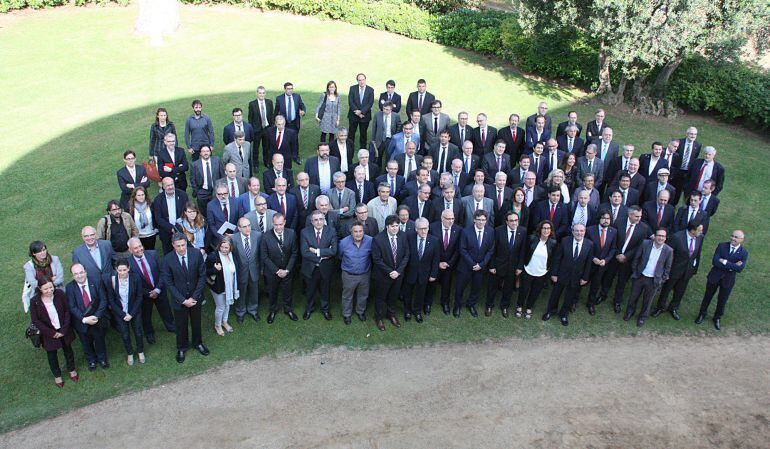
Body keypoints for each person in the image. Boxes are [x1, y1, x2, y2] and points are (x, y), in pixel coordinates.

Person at [162, 232, 208, 363]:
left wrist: (195, 296)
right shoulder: (167, 259)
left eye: (183, 245)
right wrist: (182, 300)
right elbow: (168, 282)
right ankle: (182, 347)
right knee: (181, 324)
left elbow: (202, 275)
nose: (181, 248)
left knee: (196, 321)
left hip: (195, 297)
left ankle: (198, 343)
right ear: (173, 245)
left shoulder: (196, 254)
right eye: (178, 246)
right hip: (179, 299)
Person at [29, 278, 77, 387]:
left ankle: (72, 369)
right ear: (40, 289)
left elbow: (67, 311)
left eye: (51, 287)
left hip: (63, 329)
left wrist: (64, 330)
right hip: (48, 333)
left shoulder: (59, 294)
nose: (49, 290)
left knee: (68, 350)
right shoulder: (35, 301)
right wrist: (51, 333)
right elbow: (35, 320)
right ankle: (57, 375)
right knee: (51, 355)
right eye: (45, 288)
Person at [696, 230, 749, 330]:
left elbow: (740, 269)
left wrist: (724, 261)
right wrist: (732, 266)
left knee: (722, 300)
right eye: (732, 236)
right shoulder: (722, 246)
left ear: (742, 240)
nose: (733, 238)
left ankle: (717, 318)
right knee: (707, 296)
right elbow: (715, 261)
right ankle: (702, 314)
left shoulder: (744, 253)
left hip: (728, 280)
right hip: (714, 276)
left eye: (736, 237)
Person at [603, 206, 651, 313]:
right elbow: (612, 239)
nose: (639, 218)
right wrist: (618, 253)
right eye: (637, 216)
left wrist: (626, 256)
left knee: (622, 281)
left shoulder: (644, 228)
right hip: (615, 257)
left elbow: (640, 246)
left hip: (628, 260)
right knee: (608, 277)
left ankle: (617, 301)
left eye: (640, 216)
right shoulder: (619, 222)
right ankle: (603, 294)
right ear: (630, 215)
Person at [652, 220, 703, 320]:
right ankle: (660, 307)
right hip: (674, 270)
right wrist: (666, 271)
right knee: (666, 290)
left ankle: (673, 307)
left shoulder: (700, 238)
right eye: (699, 230)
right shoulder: (677, 237)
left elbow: (697, 254)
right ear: (692, 230)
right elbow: (668, 255)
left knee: (680, 291)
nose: (701, 232)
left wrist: (694, 269)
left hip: (687, 271)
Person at [127, 237, 175, 344]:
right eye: (135, 248)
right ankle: (149, 333)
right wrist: (147, 293)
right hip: (144, 295)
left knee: (166, 310)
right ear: (130, 250)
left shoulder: (153, 254)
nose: (139, 249)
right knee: (146, 315)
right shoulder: (128, 263)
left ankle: (171, 326)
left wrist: (157, 289)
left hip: (159, 289)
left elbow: (163, 272)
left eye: (140, 246)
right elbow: (133, 283)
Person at [543, 224, 593, 326]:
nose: (579, 233)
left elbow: (588, 263)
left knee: (570, 297)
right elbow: (557, 258)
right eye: (577, 231)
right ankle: (550, 311)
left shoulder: (590, 244)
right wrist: (554, 274)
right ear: (572, 231)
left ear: (585, 232)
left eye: (582, 231)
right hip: (561, 274)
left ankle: (564, 314)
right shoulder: (565, 241)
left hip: (576, 276)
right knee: (555, 294)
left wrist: (585, 277)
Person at [624, 227, 673, 327]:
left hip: (653, 280)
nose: (661, 238)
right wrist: (635, 271)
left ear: (665, 238)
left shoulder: (668, 250)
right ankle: (630, 312)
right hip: (640, 276)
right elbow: (636, 258)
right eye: (659, 235)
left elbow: (667, 267)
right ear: (654, 236)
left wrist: (661, 280)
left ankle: (642, 317)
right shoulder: (645, 244)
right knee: (633, 297)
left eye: (663, 236)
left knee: (648, 301)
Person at [66, 263, 109, 370]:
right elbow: (72, 306)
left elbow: (103, 300)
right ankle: (92, 361)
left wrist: (97, 316)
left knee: (99, 340)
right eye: (76, 274)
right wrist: (84, 319)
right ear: (72, 276)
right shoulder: (70, 288)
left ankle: (102, 359)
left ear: (85, 272)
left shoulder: (96, 281)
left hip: (96, 319)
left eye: (81, 272)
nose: (79, 276)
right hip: (81, 321)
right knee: (86, 342)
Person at [453, 210, 495, 318]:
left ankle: (471, 305)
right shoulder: (465, 231)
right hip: (466, 266)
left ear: (486, 221)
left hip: (481, 267)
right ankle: (457, 306)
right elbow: (462, 249)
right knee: (460, 288)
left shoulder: (490, 232)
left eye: (483, 220)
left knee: (476, 288)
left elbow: (490, 250)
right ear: (474, 220)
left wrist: (481, 264)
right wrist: (472, 264)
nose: (481, 222)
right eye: (479, 220)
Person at [371, 215, 409, 331]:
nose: (395, 228)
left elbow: (406, 255)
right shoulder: (378, 239)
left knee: (393, 296)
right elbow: (377, 259)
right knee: (380, 297)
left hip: (398, 275)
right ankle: (379, 318)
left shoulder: (403, 236)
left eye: (397, 226)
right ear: (387, 226)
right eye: (392, 226)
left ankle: (391, 314)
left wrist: (398, 271)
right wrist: (390, 272)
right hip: (383, 275)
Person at [103, 259, 145, 365]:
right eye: (120, 270)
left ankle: (140, 351)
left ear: (128, 268)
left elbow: (139, 297)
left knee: (138, 332)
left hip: (134, 311)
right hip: (120, 312)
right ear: (116, 269)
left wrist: (131, 314)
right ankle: (130, 353)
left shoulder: (135, 278)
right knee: (125, 334)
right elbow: (111, 300)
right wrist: (122, 314)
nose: (122, 273)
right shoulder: (112, 280)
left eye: (124, 270)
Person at [486, 211, 526, 317]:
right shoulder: (498, 230)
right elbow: (493, 250)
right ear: (507, 222)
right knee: (492, 287)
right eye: (511, 221)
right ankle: (489, 305)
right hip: (498, 264)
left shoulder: (522, 231)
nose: (514, 223)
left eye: (516, 220)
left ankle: (504, 306)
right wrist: (492, 266)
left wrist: (520, 266)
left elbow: (522, 251)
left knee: (508, 288)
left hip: (513, 266)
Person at [260, 213, 299, 323]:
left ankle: (288, 309)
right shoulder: (266, 236)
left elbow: (294, 253)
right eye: (276, 225)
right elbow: (264, 256)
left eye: (280, 224)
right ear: (272, 223)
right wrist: (276, 271)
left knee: (288, 290)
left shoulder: (291, 233)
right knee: (272, 291)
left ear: (284, 223)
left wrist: (287, 270)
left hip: (287, 270)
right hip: (272, 271)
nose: (278, 227)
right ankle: (272, 310)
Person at [300, 210, 338, 321]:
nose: (319, 222)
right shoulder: (304, 232)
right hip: (310, 267)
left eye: (321, 219)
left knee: (325, 290)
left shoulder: (331, 231)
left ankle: (325, 309)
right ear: (311, 221)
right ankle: (309, 309)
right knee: (310, 290)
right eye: (316, 220)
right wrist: (323, 255)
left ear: (324, 220)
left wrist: (316, 251)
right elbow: (305, 252)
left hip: (326, 267)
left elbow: (334, 250)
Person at [516, 220, 557, 319]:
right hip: (528, 269)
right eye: (544, 228)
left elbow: (553, 259)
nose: (546, 230)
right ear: (540, 229)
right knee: (524, 290)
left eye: (548, 228)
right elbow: (523, 253)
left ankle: (529, 307)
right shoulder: (531, 238)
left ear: (551, 230)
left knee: (535, 292)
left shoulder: (553, 243)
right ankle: (520, 306)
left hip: (542, 273)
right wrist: (520, 267)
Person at [338, 222, 373, 324]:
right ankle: (347, 314)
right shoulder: (343, 243)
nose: (358, 234)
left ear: (363, 231)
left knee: (363, 294)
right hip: (349, 275)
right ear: (351, 232)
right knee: (347, 295)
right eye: (355, 231)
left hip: (364, 274)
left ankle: (360, 311)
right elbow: (340, 256)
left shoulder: (370, 241)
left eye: (360, 231)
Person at [584, 210, 617, 315]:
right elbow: (585, 246)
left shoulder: (613, 232)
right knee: (581, 283)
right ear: (599, 219)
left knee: (595, 285)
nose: (606, 220)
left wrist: (606, 260)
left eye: (608, 218)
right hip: (589, 263)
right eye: (604, 218)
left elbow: (613, 249)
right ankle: (573, 301)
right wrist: (593, 258)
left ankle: (590, 304)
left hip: (602, 265)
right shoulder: (590, 230)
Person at [206, 236, 238, 336]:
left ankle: (224, 322)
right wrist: (215, 269)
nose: (223, 250)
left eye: (226, 248)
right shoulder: (212, 256)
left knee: (227, 305)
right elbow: (204, 271)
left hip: (229, 286)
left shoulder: (232, 255)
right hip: (218, 287)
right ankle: (218, 325)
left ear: (230, 248)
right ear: (219, 246)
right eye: (222, 247)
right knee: (221, 307)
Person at [231, 217, 261, 324]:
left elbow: (260, 254)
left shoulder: (257, 236)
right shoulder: (233, 239)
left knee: (254, 291)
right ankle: (240, 312)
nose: (248, 228)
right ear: (239, 228)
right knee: (241, 293)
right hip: (241, 272)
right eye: (244, 226)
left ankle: (253, 310)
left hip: (254, 270)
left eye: (249, 225)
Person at [190, 145, 225, 212]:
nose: (206, 153)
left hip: (216, 190)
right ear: (200, 153)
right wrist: (197, 192)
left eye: (207, 151)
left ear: (210, 152)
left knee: (217, 210)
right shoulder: (195, 164)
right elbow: (193, 180)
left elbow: (222, 175)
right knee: (204, 212)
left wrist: (221, 188)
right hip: (202, 192)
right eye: (203, 151)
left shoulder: (217, 160)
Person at [247, 86, 274, 168]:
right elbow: (250, 118)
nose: (261, 94)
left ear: (265, 93)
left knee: (266, 147)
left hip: (267, 128)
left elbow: (271, 115)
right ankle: (255, 164)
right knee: (256, 148)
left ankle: (266, 162)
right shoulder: (252, 104)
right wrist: (252, 129)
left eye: (263, 93)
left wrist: (271, 127)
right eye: (260, 93)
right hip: (257, 130)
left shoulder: (269, 102)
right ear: (257, 93)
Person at [347, 73, 375, 149]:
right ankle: (349, 147)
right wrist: (358, 112)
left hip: (365, 116)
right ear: (357, 81)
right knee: (351, 132)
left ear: (365, 80)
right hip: (353, 115)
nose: (362, 82)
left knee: (363, 133)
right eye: (360, 80)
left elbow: (370, 103)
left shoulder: (370, 90)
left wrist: (362, 112)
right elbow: (350, 101)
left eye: (363, 80)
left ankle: (363, 148)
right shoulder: (352, 88)